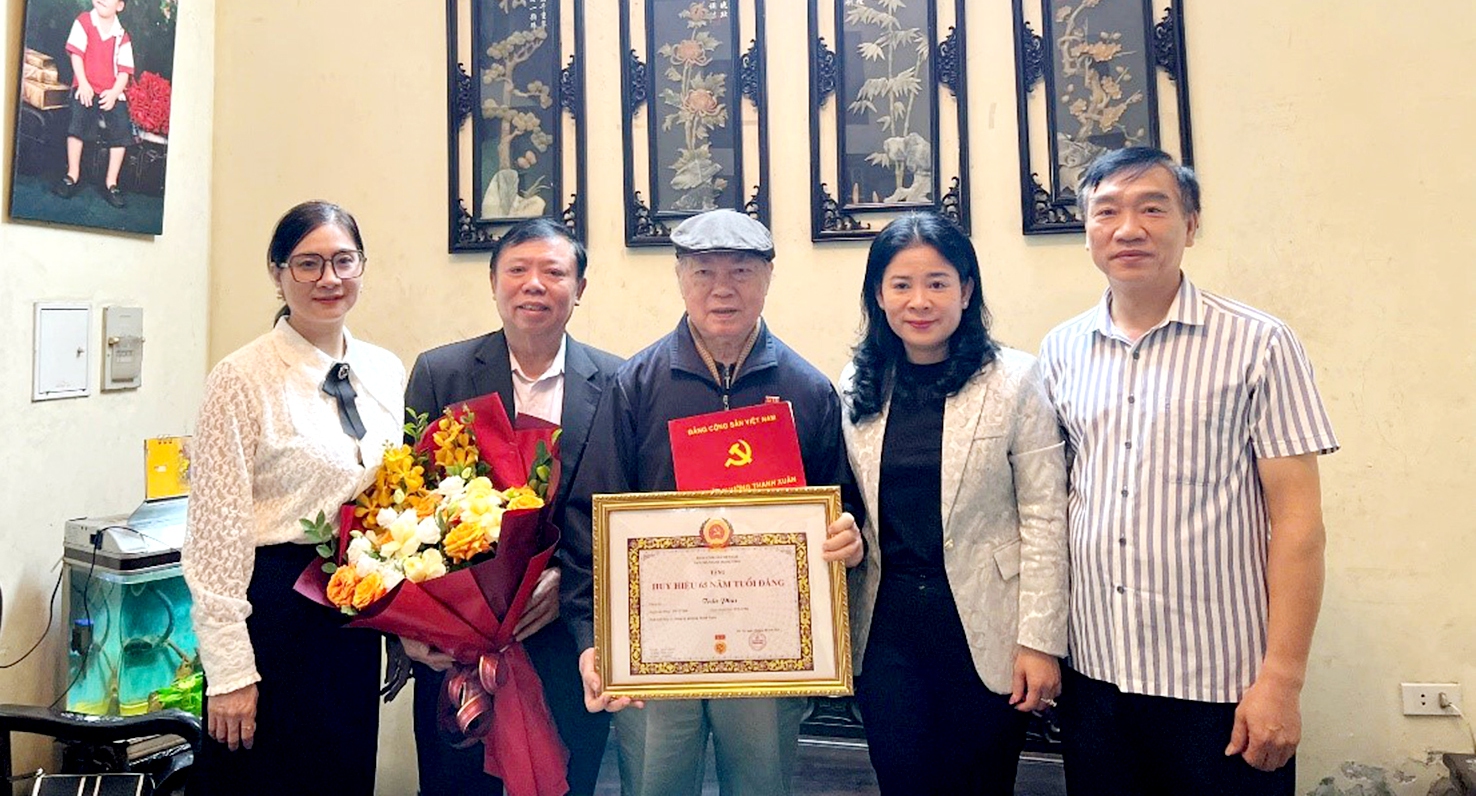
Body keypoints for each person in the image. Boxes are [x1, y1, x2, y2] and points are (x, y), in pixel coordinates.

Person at [1037, 147, 1337, 795]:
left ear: (1191, 225)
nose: (1128, 228)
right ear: (1087, 230)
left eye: (1153, 209)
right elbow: (1053, 505)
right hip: (1096, 679)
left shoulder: (1259, 343)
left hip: (1221, 684)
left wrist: (1282, 680)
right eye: (1107, 212)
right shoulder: (1060, 350)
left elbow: (1298, 524)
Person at [562, 209, 863, 796]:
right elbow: (589, 518)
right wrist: (591, 636)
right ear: (680, 277)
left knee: (760, 785)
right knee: (655, 784)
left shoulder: (808, 390)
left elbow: (843, 510)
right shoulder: (636, 385)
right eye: (703, 272)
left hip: (767, 651)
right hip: (652, 646)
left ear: (768, 278)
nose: (722, 289)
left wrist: (848, 540)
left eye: (741, 272)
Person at [839, 213, 1067, 795]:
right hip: (886, 630)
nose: (919, 301)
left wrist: (1040, 642)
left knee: (981, 784)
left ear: (966, 291)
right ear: (878, 296)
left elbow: (1045, 517)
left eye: (937, 283)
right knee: (902, 780)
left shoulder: (1016, 380)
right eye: (901, 284)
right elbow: (850, 503)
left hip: (988, 626)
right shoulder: (858, 383)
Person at [182, 201, 404, 796]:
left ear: (362, 267)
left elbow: (394, 502)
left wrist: (401, 618)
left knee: (343, 776)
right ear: (277, 273)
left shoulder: (384, 370)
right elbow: (216, 535)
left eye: (343, 261)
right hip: (274, 617)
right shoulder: (240, 378)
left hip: (353, 615)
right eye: (308, 263)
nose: (328, 279)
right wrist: (230, 670)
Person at [393, 217, 621, 796]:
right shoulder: (440, 373)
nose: (534, 284)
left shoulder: (619, 381)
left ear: (580, 287)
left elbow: (620, 511)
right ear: (494, 282)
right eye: (517, 270)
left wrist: (565, 581)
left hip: (567, 640)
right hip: (457, 648)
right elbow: (403, 507)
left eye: (553, 272)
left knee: (566, 781)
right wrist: (411, 628)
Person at [55, 0, 134, 208]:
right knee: (78, 120)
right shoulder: (84, 21)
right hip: (86, 85)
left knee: (121, 127)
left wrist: (114, 92)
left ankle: (112, 182)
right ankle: (72, 174)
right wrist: (83, 83)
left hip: (110, 91)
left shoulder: (122, 36)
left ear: (119, 4)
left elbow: (124, 71)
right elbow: (76, 55)